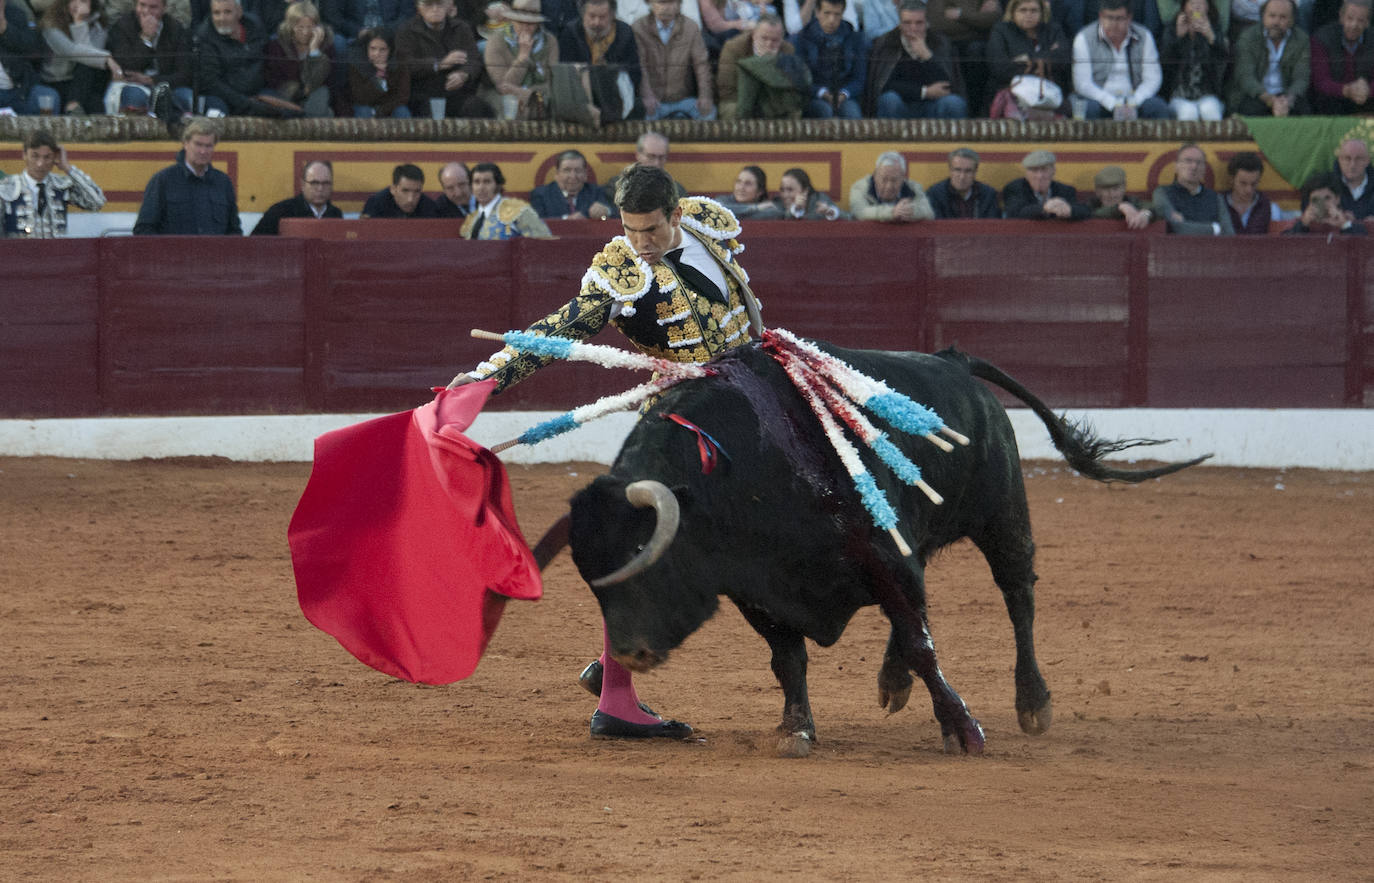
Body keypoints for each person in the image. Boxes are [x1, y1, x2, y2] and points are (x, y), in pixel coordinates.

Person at [452, 164, 764, 739]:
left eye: (650, 230)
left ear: (676, 214)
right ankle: (617, 697)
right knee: (651, 541)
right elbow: (559, 333)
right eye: (628, 229)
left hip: (753, 401)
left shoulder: (705, 224)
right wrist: (482, 381)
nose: (639, 244)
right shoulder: (620, 274)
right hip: (681, 421)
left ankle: (612, 663)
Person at [133, 118, 242, 234]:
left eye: (208, 146)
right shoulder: (163, 181)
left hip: (214, 252)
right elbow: (143, 230)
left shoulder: (223, 183)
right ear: (185, 144)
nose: (203, 151)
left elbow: (234, 232)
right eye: (198, 144)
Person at [863, 0, 968, 118]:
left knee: (953, 103)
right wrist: (924, 92)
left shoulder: (940, 43)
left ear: (927, 23)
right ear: (900, 24)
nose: (913, 28)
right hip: (901, 105)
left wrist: (927, 56)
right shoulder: (886, 43)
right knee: (889, 100)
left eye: (919, 23)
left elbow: (949, 85)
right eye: (907, 23)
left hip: (933, 106)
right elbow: (883, 85)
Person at [197, 0, 302, 117]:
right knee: (217, 115)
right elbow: (211, 82)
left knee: (290, 114)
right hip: (223, 97)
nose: (222, 18)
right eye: (216, 13)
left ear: (239, 12)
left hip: (259, 92)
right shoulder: (205, 37)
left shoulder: (254, 26)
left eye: (227, 12)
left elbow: (267, 62)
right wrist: (245, 102)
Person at [1070, 0, 1172, 119]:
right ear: (1100, 16)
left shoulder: (1144, 36)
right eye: (1109, 18)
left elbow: (1153, 79)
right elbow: (1082, 84)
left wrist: (1134, 101)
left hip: (1134, 98)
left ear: (1129, 18)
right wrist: (1113, 104)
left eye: (1119, 18)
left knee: (1158, 107)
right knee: (1087, 109)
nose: (1113, 23)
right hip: (1099, 99)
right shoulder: (1084, 38)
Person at [1, 129, 105, 237]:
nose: (40, 164)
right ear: (24, 155)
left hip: (57, 253)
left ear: (55, 157)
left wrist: (67, 167)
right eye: (35, 156)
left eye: (47, 157)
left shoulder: (61, 186)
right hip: (17, 253)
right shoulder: (7, 187)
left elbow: (96, 202)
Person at [396, 0, 490, 117]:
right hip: (421, 95)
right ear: (419, 8)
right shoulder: (406, 30)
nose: (435, 8)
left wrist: (463, 74)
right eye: (429, 4)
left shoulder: (461, 28)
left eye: (439, 4)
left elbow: (474, 60)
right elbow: (404, 64)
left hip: (456, 94)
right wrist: (440, 64)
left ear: (448, 6)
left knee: (477, 107)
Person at [104, 0, 194, 116]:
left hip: (165, 84)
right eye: (142, 5)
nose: (146, 11)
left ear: (164, 8)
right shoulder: (123, 26)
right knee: (135, 96)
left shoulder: (175, 29)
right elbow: (127, 66)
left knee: (185, 96)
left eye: (153, 7)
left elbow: (184, 73)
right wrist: (146, 38)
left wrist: (152, 80)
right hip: (130, 84)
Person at [557, 0, 643, 120]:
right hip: (580, 97)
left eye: (602, 17)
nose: (596, 23)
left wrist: (609, 71)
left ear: (612, 15)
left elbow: (634, 73)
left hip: (616, 97)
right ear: (583, 15)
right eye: (592, 16)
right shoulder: (571, 33)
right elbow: (565, 73)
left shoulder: (625, 33)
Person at [986, 0, 1072, 118]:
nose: (1028, 15)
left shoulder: (1053, 29)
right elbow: (1000, 68)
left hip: (1049, 92)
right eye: (1023, 10)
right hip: (1014, 92)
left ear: (1042, 13)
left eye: (1034, 10)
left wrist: (1029, 58)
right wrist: (1044, 61)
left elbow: (1063, 59)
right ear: (1012, 12)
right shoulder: (1001, 30)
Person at [632, 0, 715, 120]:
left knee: (709, 113)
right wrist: (647, 95)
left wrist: (705, 95)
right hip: (654, 101)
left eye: (670, 2)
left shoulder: (690, 27)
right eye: (661, 2)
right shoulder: (639, 28)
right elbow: (640, 65)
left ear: (679, 4)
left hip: (683, 99)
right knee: (642, 117)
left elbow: (701, 64)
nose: (665, 8)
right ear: (650, 3)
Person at [1227, 0, 1311, 115]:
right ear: (1263, 17)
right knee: (1250, 109)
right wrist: (1270, 100)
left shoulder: (1301, 39)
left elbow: (1302, 77)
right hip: (1257, 94)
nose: (1276, 22)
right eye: (1272, 16)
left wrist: (1288, 99)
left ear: (1292, 20)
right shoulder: (1248, 37)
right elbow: (1245, 77)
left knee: (1304, 111)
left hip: (1287, 95)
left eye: (1283, 17)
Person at [40, 0, 120, 115]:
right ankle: (73, 107)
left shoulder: (99, 22)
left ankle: (73, 107)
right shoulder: (51, 23)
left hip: (85, 81)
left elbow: (90, 57)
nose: (77, 4)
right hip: (57, 80)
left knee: (95, 102)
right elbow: (71, 51)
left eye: (83, 0)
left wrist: (79, 23)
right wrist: (107, 58)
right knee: (87, 63)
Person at [485, 0, 558, 119]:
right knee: (515, 108)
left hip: (539, 96)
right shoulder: (496, 41)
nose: (525, 27)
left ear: (538, 23)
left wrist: (527, 93)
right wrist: (522, 57)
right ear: (512, 20)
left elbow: (552, 82)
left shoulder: (550, 41)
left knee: (547, 105)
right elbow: (503, 86)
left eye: (530, 24)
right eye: (520, 22)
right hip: (501, 97)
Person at [926, 0, 1001, 115]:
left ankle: (978, 113)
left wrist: (960, 15)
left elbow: (993, 19)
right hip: (945, 43)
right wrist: (976, 20)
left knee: (977, 51)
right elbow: (937, 23)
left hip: (977, 45)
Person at [793, 0, 864, 119]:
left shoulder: (854, 38)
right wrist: (822, 93)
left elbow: (859, 78)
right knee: (824, 112)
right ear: (817, 12)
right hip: (814, 95)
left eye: (837, 14)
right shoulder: (802, 38)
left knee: (853, 115)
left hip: (844, 93)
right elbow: (799, 78)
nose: (831, 20)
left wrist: (843, 94)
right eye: (827, 13)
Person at [263, 0, 334, 116]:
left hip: (315, 95)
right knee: (327, 114)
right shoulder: (277, 45)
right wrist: (300, 91)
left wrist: (314, 51)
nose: (305, 32)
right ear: (290, 26)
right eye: (300, 27)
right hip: (285, 94)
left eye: (310, 27)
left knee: (321, 93)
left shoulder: (326, 46)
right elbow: (274, 80)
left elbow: (317, 82)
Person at [1160, 0, 1228, 119]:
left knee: (1210, 111)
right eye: (1192, 3)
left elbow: (1224, 68)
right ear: (1184, 8)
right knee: (1188, 112)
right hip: (1178, 95)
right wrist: (1178, 38)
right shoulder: (1171, 29)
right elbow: (1165, 66)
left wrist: (1212, 39)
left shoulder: (1215, 30)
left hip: (1207, 94)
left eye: (1201, 3)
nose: (1196, 7)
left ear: (1208, 7)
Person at [1152, 142, 1234, 235]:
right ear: (1176, 166)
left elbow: (1229, 233)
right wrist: (1215, 228)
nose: (1194, 166)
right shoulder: (1163, 193)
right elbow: (1177, 228)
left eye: (1199, 162)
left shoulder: (1215, 198)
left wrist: (1187, 224)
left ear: (1204, 168)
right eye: (1188, 161)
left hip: (1211, 249)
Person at [1310, 0, 1374, 114]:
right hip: (1332, 101)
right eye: (1350, 18)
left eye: (1360, 20)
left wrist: (1368, 90)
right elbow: (1320, 81)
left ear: (1367, 23)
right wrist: (1347, 90)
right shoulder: (1322, 39)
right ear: (1341, 17)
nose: (1354, 25)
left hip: (1366, 99)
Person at [460, 161, 554, 238]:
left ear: (498, 185)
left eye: (487, 182)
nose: (481, 187)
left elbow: (543, 242)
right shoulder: (471, 219)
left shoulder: (518, 210)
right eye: (476, 182)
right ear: (471, 186)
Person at [2, 0, 63, 115]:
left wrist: (5, 29)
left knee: (50, 97)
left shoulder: (16, 14)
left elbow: (32, 49)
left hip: (17, 90)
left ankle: (44, 133)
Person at [250, 159, 342, 234]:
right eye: (314, 183)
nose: (320, 188)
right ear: (302, 184)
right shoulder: (280, 212)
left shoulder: (336, 215)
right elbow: (254, 245)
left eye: (326, 183)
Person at [1002, 149, 1091, 220]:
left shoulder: (1066, 190)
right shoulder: (1015, 188)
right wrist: (1044, 208)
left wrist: (1069, 210)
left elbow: (1084, 211)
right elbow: (1015, 212)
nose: (1040, 176)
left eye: (1044, 170)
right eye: (1034, 170)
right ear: (1027, 174)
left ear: (1053, 171)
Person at [848, 151, 935, 222]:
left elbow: (929, 213)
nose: (889, 186)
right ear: (875, 175)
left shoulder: (913, 187)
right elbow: (859, 212)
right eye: (884, 179)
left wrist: (911, 211)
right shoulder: (860, 187)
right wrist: (891, 212)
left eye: (894, 180)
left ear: (903, 178)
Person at [530, 148, 616, 219]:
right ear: (557, 174)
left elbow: (617, 214)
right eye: (567, 170)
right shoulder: (541, 194)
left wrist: (607, 211)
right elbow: (537, 223)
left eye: (578, 170)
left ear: (585, 174)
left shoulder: (596, 192)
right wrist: (567, 219)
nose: (573, 176)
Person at [347, 26, 412, 117]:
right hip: (365, 105)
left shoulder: (399, 61)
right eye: (373, 48)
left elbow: (403, 96)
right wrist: (378, 77)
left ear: (390, 50)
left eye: (382, 50)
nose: (377, 54)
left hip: (390, 106)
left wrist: (381, 110)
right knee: (364, 112)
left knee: (402, 112)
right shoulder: (357, 62)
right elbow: (359, 97)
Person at [603, 130, 687, 199]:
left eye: (661, 157)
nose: (656, 163)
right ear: (638, 155)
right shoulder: (618, 186)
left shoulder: (676, 191)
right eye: (651, 156)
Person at [926, 147, 1000, 218]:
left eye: (968, 171)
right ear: (950, 170)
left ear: (975, 172)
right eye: (957, 170)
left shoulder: (989, 195)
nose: (962, 177)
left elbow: (993, 227)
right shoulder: (935, 194)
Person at [1285, 171, 1368, 234]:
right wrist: (1303, 225)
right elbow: (1284, 246)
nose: (1322, 204)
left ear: (1337, 199)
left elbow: (1365, 246)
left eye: (1327, 198)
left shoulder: (1350, 221)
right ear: (1309, 202)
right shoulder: (1300, 223)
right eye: (1315, 200)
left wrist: (1344, 225)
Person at [1224, 151, 1283, 234]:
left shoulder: (1271, 209)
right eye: (1243, 183)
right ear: (1231, 180)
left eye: (1254, 184)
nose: (1249, 190)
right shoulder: (1219, 204)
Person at [1084, 165, 1153, 228]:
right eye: (1106, 190)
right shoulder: (1090, 205)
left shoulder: (1133, 201)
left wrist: (1146, 214)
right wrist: (1121, 207)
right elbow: (1096, 213)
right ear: (1097, 191)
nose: (1112, 194)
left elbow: (1152, 207)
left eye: (1116, 189)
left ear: (1124, 188)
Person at [361, 164, 441, 218]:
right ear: (393, 189)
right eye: (405, 191)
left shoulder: (429, 208)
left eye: (417, 191)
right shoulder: (376, 204)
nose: (411, 199)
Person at [775, 167, 848, 219]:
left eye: (790, 190)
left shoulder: (819, 199)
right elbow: (779, 217)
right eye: (782, 190)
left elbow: (849, 217)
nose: (785, 195)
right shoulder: (777, 202)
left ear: (805, 191)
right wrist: (795, 209)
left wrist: (830, 212)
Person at [715, 164, 783, 218]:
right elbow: (718, 209)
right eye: (738, 182)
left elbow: (775, 213)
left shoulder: (768, 207)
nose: (741, 188)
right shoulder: (722, 200)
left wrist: (740, 213)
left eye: (748, 184)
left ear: (760, 191)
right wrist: (756, 208)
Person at [1333, 136, 1374, 218]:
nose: (1352, 165)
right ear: (1339, 160)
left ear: (1367, 161)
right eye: (1347, 158)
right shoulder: (1327, 186)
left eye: (1358, 159)